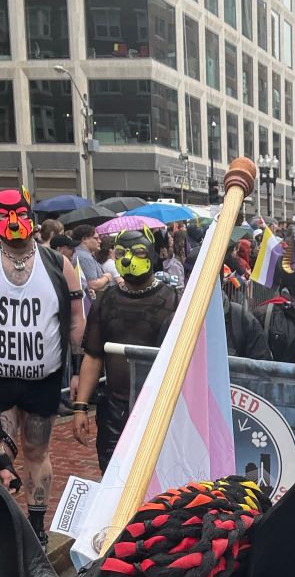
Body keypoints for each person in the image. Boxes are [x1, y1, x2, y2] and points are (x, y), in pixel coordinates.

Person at [0, 186, 85, 545]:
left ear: (32, 219)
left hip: (43, 380)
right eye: (6, 217)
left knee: (37, 452)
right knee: (2, 450)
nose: (14, 223)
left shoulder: (58, 264)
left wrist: (80, 369)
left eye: (20, 214)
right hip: (2, 379)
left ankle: (36, 528)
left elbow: (76, 320)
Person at [73, 228, 179, 470]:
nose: (128, 259)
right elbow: (93, 355)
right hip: (114, 409)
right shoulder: (106, 300)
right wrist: (80, 408)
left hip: (158, 409)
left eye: (138, 252)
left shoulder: (173, 301)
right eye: (120, 253)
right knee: (112, 476)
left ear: (151, 255)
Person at [72, 225, 112, 295]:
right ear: (84, 239)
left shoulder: (83, 254)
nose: (99, 241)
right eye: (96, 238)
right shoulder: (84, 257)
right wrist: (107, 277)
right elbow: (93, 285)